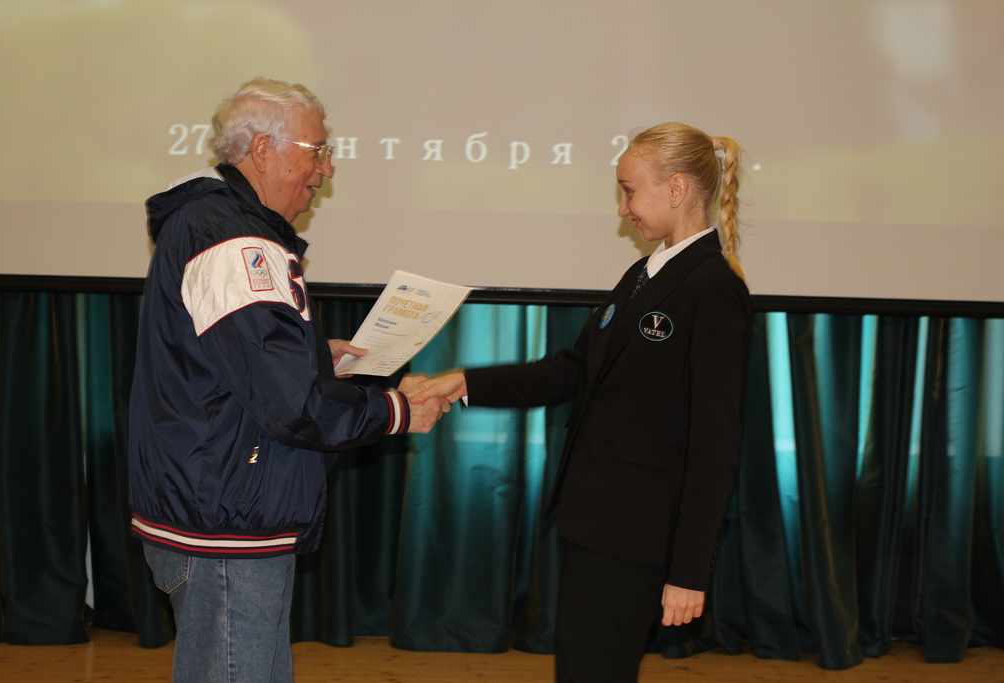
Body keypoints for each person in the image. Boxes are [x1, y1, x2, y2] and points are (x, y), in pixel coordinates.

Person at [405, 122, 752, 683]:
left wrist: (689, 570)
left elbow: (716, 444)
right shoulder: (644, 273)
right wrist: (463, 381)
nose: (622, 208)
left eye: (630, 191)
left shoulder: (713, 287)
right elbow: (572, 371)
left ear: (677, 188)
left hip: (637, 536)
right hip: (595, 523)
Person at [128, 77, 446, 683]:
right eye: (317, 150)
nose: (326, 169)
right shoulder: (233, 240)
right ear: (262, 150)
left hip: (221, 504)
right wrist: (397, 410)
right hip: (224, 518)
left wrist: (311, 355)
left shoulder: (217, 223)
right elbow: (290, 403)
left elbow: (228, 359)